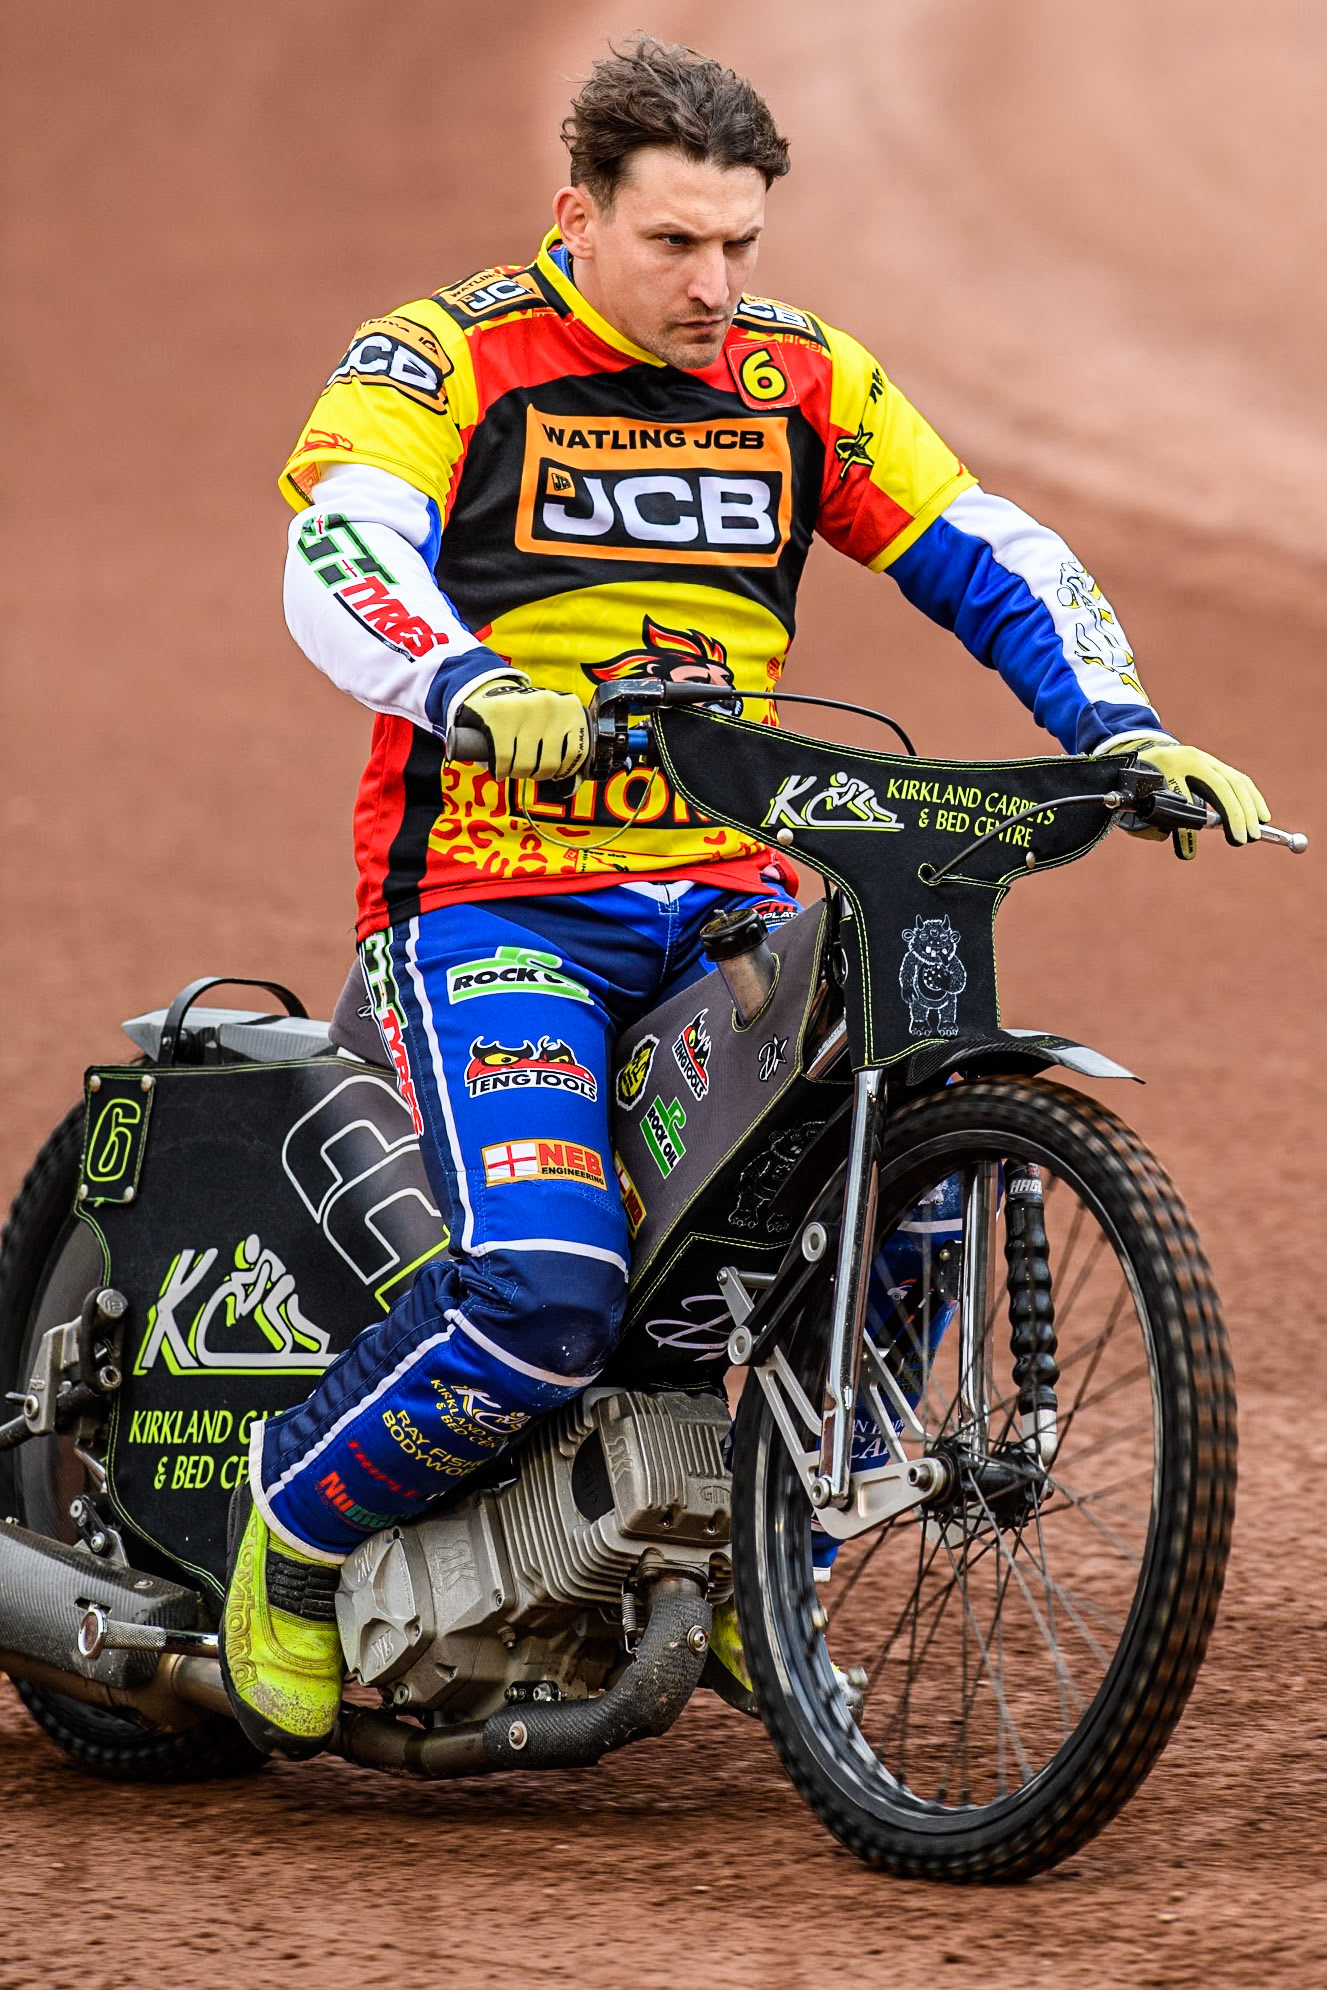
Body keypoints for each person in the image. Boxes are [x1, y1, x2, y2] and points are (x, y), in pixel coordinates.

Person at [219, 34, 1269, 1756]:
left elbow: (982, 543)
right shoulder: (452, 353)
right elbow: (336, 547)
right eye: (677, 245)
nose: (718, 286)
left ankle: (746, 1554)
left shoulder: (800, 378)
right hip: (494, 908)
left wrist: (1125, 728)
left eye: (744, 247)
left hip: (726, 895)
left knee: (897, 1163)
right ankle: (297, 1530)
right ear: (580, 214)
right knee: (550, 1296)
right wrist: (471, 684)